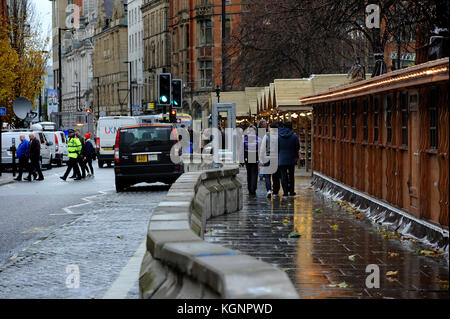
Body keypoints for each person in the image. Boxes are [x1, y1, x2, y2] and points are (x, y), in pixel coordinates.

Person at [278, 121, 300, 197]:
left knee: (283, 176)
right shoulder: (294, 136)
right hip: (291, 157)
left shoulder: (279, 136)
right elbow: (297, 147)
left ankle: (285, 192)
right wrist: (296, 156)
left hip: (281, 158)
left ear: (284, 126)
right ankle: (291, 191)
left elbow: (276, 147)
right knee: (291, 175)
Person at [240, 125, 261, 195]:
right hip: (255, 156)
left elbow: (241, 150)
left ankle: (249, 188)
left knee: (249, 173)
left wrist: (241, 160)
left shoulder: (244, 139)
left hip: (247, 156)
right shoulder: (258, 139)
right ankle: (253, 188)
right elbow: (261, 150)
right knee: (254, 173)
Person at [260, 122, 278, 199]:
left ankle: (269, 190)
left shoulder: (266, 136)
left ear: (270, 128)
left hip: (267, 157)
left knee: (267, 175)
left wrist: (261, 158)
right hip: (276, 157)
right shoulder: (279, 136)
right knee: (276, 176)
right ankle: (275, 192)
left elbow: (262, 148)